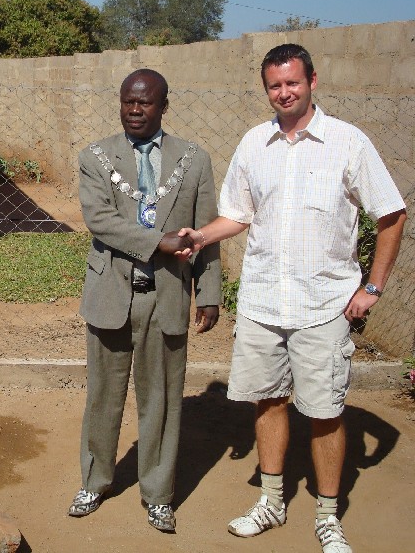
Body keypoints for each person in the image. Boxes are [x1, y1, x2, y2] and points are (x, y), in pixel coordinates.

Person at [177, 44, 407, 553]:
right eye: (275, 86)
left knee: (325, 411)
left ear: (312, 82)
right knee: (269, 401)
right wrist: (202, 237)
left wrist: (372, 287)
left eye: (292, 83)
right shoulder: (254, 144)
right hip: (262, 303)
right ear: (267, 90)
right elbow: (239, 213)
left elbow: (391, 215)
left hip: (323, 305)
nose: (284, 93)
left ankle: (328, 517)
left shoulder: (348, 143)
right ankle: (273, 500)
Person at [68, 68, 221, 532]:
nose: (135, 110)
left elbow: (207, 229)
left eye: (145, 103)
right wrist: (160, 243)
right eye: (127, 101)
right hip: (111, 293)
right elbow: (101, 220)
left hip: (168, 296)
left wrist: (209, 291)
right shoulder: (95, 156)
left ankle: (158, 493)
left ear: (163, 106)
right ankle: (95, 481)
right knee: (104, 397)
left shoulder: (193, 160)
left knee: (162, 399)